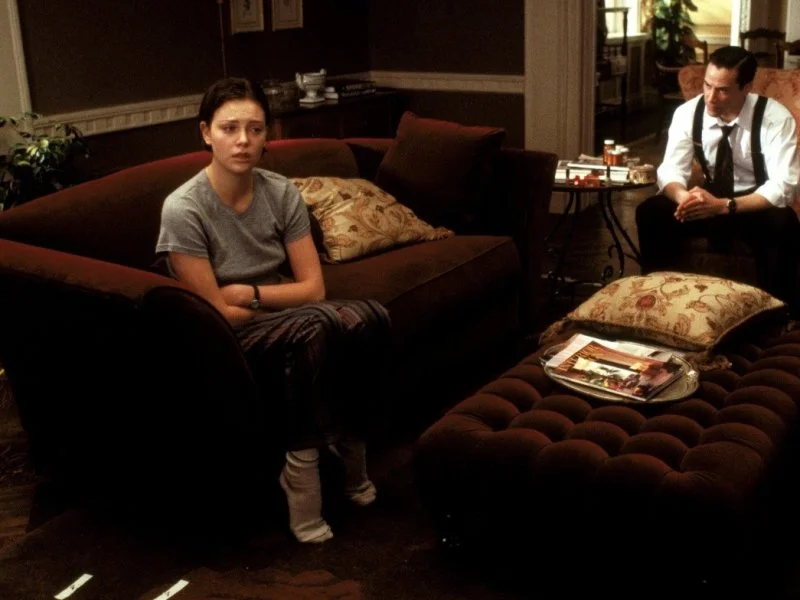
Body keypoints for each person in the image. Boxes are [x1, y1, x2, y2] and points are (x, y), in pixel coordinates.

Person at [155, 77, 391, 543]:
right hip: (225, 334)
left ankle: (351, 443)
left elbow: (314, 288)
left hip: (269, 310)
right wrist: (271, 305)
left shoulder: (280, 192)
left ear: (267, 135)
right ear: (206, 133)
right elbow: (215, 314)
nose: (243, 140)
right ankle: (301, 473)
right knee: (316, 327)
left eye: (255, 129)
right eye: (229, 128)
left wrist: (250, 294)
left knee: (372, 316)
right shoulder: (183, 209)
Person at [635, 45, 800, 314]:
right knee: (651, 212)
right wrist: (685, 197)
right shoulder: (688, 113)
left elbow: (784, 186)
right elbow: (670, 170)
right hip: (707, 201)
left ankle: (779, 316)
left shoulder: (774, 118)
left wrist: (724, 206)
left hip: (751, 205)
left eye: (722, 90)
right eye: (707, 85)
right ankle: (657, 305)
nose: (711, 97)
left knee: (783, 222)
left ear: (746, 88)